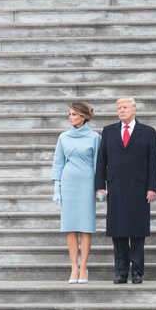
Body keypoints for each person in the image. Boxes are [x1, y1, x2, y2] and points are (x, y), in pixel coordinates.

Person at [95, 97, 156, 284]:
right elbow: (102, 160)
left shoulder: (147, 132)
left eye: (124, 107)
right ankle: (121, 271)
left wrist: (152, 187)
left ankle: (137, 271)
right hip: (115, 189)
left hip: (139, 189)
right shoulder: (109, 131)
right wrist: (100, 185)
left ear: (134, 110)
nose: (121, 111)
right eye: (118, 108)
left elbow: (153, 162)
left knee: (137, 233)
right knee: (118, 232)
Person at [51, 102, 100, 284]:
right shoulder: (63, 137)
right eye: (69, 114)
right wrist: (57, 188)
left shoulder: (94, 137)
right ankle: (74, 267)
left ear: (83, 117)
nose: (70, 117)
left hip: (86, 183)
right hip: (69, 182)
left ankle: (84, 267)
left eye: (73, 114)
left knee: (86, 227)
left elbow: (98, 163)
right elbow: (58, 163)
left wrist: (100, 187)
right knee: (70, 227)